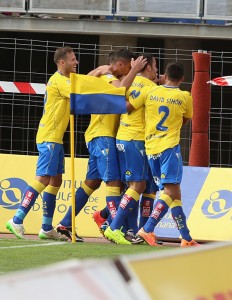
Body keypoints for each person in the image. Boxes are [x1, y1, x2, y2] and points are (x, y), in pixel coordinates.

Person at [56, 49, 147, 241]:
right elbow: (118, 90)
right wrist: (135, 69)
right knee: (114, 182)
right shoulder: (107, 77)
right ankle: (116, 229)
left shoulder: (103, 75)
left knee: (92, 183)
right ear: (120, 65)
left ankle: (65, 223)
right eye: (130, 67)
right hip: (102, 135)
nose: (132, 70)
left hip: (99, 136)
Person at [6, 46, 78, 241]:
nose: (76, 62)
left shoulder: (65, 79)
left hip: (55, 137)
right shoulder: (59, 81)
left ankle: (46, 227)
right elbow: (79, 97)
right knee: (44, 178)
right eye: (73, 59)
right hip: (49, 137)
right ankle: (17, 219)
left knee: (56, 180)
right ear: (62, 63)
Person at [133, 62, 199, 247]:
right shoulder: (184, 96)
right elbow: (185, 120)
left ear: (164, 75)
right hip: (169, 147)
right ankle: (147, 228)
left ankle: (185, 237)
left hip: (151, 148)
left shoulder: (151, 92)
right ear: (183, 79)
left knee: (174, 193)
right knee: (170, 191)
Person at [104, 54, 160, 244]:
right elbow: (126, 107)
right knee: (139, 185)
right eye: (156, 67)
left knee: (135, 186)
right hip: (136, 140)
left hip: (122, 137)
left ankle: (130, 229)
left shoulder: (129, 81)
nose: (157, 72)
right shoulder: (149, 87)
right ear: (149, 68)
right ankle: (113, 227)